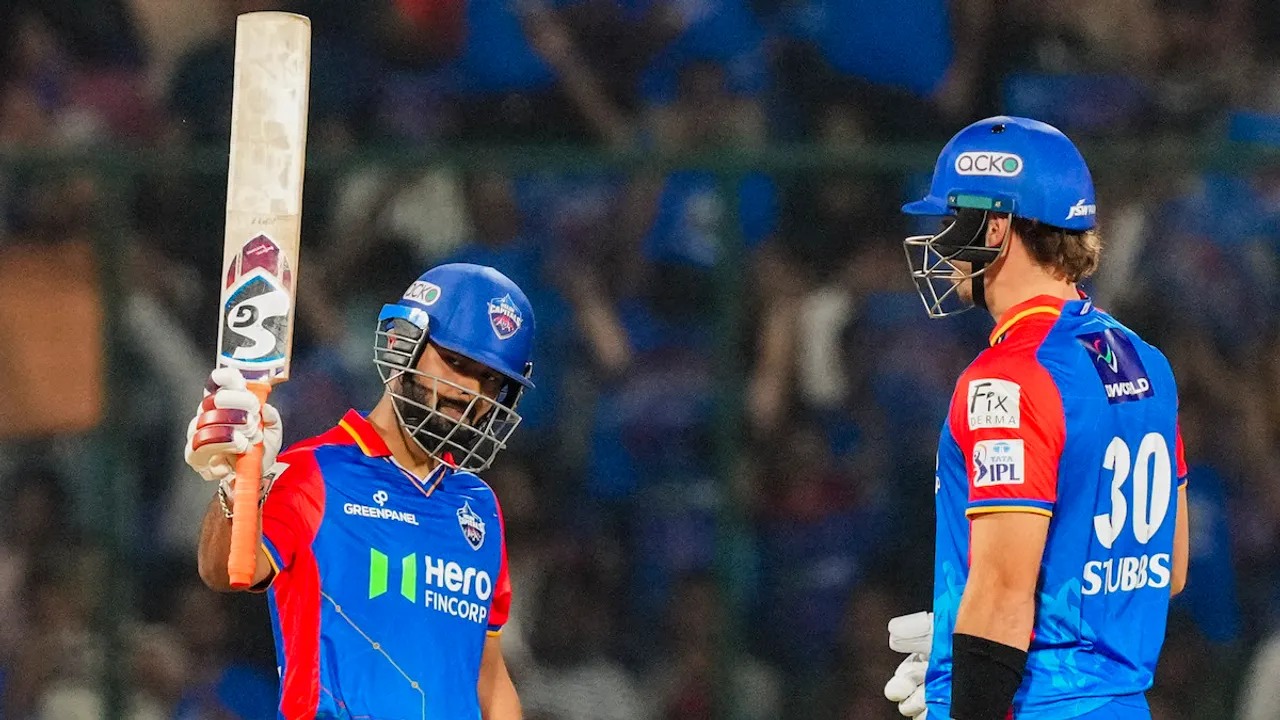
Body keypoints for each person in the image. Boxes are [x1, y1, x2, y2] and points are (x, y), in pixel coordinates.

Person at [881, 116, 1191, 719]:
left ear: (995, 225)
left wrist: (973, 678)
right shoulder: (1146, 360)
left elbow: (1000, 598)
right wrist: (955, 633)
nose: (941, 241)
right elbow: (1168, 571)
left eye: (953, 218)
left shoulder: (1008, 377)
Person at [184, 262, 533, 719]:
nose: (470, 392)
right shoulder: (316, 470)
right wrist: (240, 484)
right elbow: (225, 569)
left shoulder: (478, 507)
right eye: (456, 363)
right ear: (404, 344)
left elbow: (486, 673)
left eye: (491, 380)